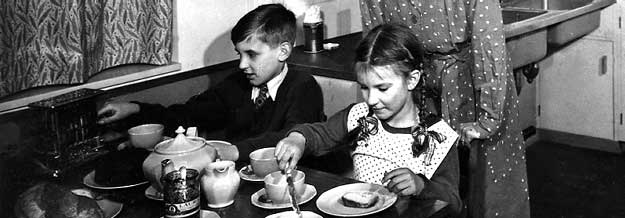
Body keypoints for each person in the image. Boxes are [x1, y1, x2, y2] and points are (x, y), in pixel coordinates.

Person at [358, 1, 531, 218]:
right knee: (427, 187)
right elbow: (377, 41)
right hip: (416, 85)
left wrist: (488, 119)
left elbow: (488, 45)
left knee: (488, 188)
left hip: (475, 83)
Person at [96, 4, 327, 164]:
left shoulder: (304, 87)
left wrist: (233, 151)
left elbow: (293, 138)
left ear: (283, 51)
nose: (242, 64)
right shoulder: (236, 85)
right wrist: (136, 109)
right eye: (239, 55)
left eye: (252, 54)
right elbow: (187, 114)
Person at [274, 24, 462, 215]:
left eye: (382, 88)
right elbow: (319, 134)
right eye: (364, 87)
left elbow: (453, 204)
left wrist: (422, 185)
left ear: (412, 80)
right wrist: (297, 139)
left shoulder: (438, 137)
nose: (371, 99)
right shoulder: (360, 116)